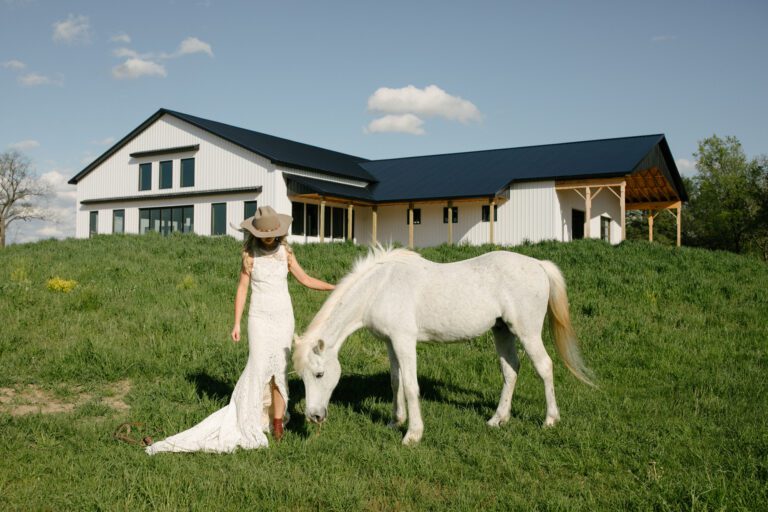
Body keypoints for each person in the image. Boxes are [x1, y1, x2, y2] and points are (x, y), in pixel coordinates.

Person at [146, 205, 334, 454]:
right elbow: (242, 289)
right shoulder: (249, 254)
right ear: (255, 233)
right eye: (264, 232)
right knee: (258, 369)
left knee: (280, 372)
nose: (268, 236)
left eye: (271, 232)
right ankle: (249, 419)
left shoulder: (285, 253)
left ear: (278, 231)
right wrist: (236, 323)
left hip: (282, 319)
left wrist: (334, 288)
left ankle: (278, 425)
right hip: (259, 320)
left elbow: (306, 279)